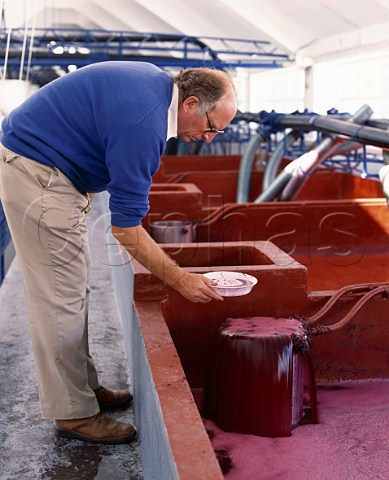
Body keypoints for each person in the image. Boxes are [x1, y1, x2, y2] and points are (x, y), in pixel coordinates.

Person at [0, 61, 238, 444]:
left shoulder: (156, 85)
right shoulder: (145, 125)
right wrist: (181, 280)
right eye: (213, 128)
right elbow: (125, 230)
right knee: (59, 299)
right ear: (191, 104)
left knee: (72, 291)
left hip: (50, 167)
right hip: (39, 176)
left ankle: (83, 390)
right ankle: (73, 414)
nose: (210, 138)